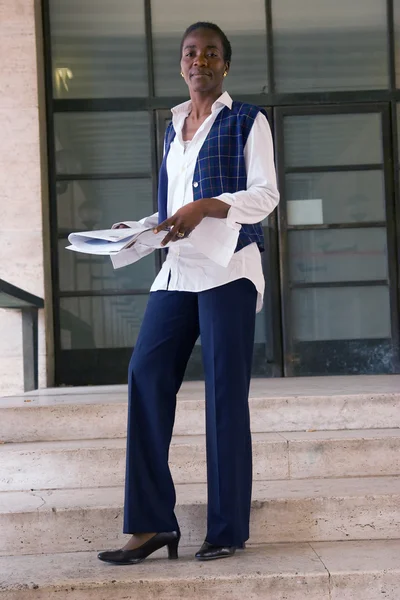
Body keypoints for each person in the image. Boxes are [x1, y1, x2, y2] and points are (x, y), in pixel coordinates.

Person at [98, 21, 279, 565]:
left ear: (225, 64)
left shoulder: (248, 119)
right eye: (191, 53)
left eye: (211, 53)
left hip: (229, 268)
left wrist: (207, 208)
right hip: (178, 272)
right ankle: (153, 525)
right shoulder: (172, 127)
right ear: (181, 64)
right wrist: (139, 229)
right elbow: (177, 205)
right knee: (145, 376)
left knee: (225, 396)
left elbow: (265, 195)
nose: (200, 60)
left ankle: (226, 528)